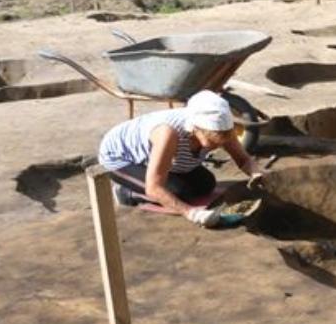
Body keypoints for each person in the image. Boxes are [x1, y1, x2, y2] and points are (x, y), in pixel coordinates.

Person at [98, 90, 265, 227]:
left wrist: (256, 173)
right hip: (121, 159)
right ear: (195, 129)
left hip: (160, 157)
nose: (215, 146)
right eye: (212, 141)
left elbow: (243, 159)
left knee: (206, 183)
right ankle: (127, 192)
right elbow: (154, 188)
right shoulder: (168, 135)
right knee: (177, 194)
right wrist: (191, 213)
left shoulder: (222, 128)